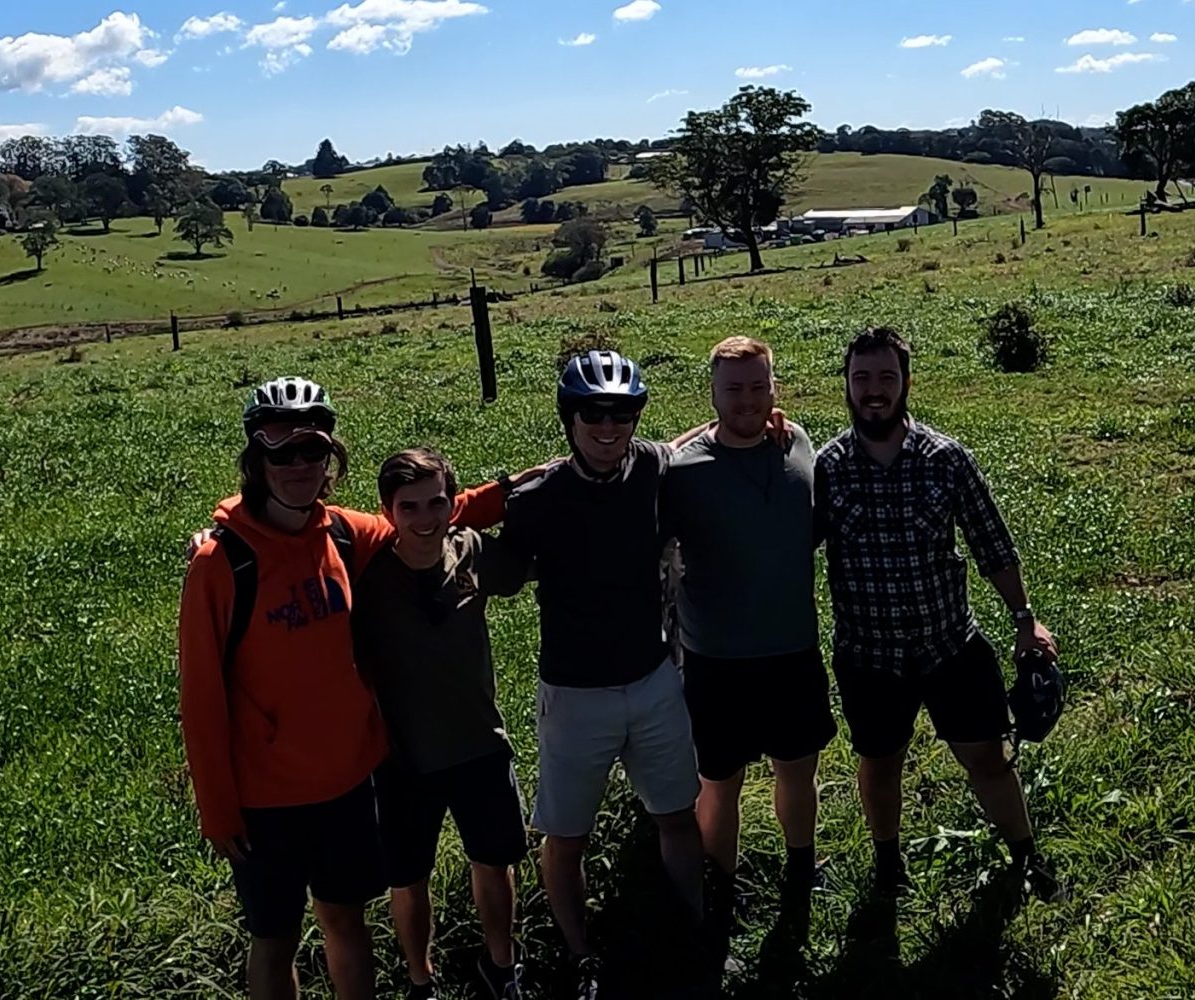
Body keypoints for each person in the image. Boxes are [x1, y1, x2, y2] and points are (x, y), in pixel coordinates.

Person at [178, 378, 516, 1000]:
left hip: (348, 784)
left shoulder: (340, 533)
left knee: (347, 921)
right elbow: (200, 698)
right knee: (275, 940)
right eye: (281, 452)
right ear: (256, 460)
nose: (298, 466)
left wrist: (521, 487)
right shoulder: (220, 563)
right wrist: (216, 808)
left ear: (330, 457)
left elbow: (423, 518)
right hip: (265, 799)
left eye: (312, 450)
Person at [814, 328, 1067, 903]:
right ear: (846, 385)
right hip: (869, 655)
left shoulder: (945, 459)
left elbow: (992, 544)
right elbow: (784, 546)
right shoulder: (825, 468)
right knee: (880, 764)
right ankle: (888, 865)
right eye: (861, 378)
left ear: (906, 381)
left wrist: (1025, 618)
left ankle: (1026, 855)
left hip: (950, 644)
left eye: (886, 377)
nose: (874, 390)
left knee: (989, 758)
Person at [496, 351, 707, 1000]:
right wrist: (489, 496)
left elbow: (690, 442)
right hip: (574, 694)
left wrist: (764, 418)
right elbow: (493, 569)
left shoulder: (651, 466)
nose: (609, 427)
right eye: (594, 413)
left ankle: (694, 933)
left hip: (651, 680)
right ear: (570, 418)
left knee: (678, 815)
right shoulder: (536, 500)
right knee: (566, 838)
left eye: (623, 413)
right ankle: (581, 954)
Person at [661, 337, 835, 927]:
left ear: (774, 388)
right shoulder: (682, 470)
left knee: (799, 770)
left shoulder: (798, 443)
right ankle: (722, 889)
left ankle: (801, 867)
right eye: (733, 389)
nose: (748, 400)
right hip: (717, 659)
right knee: (719, 782)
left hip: (793, 648)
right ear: (711, 393)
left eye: (759, 386)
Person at [353, 448, 531, 1000]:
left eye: (436, 503)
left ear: (453, 503)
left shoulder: (471, 549)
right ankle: (420, 981)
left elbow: (530, 559)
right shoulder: (366, 576)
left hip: (479, 742)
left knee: (495, 861)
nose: (425, 518)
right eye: (409, 507)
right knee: (408, 878)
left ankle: (502, 968)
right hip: (402, 758)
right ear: (387, 510)